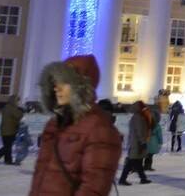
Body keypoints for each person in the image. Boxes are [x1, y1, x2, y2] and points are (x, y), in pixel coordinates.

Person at [28, 54, 122, 196]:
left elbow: (94, 187)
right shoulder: (54, 124)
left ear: (81, 87)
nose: (56, 88)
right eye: (55, 82)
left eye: (64, 82)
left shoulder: (99, 128)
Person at [119, 100, 152, 185]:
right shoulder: (138, 117)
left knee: (138, 161)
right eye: (143, 107)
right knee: (131, 161)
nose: (145, 108)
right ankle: (122, 179)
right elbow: (139, 131)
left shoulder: (137, 116)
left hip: (136, 142)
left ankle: (143, 178)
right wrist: (143, 142)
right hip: (136, 143)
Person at [0, 95, 24, 164]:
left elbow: (14, 118)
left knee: (7, 146)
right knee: (8, 146)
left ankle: (3, 158)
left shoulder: (7, 107)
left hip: (6, 130)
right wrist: (21, 110)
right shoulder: (11, 108)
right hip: (9, 130)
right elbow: (18, 116)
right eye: (17, 101)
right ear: (14, 101)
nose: (18, 103)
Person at [143, 106, 163, 171]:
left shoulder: (145, 124)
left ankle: (144, 166)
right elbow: (159, 135)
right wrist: (160, 142)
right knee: (150, 155)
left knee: (145, 155)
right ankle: (148, 166)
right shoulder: (157, 125)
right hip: (153, 141)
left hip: (146, 140)